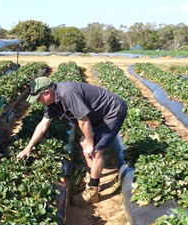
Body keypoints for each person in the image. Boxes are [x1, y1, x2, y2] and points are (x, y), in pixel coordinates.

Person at [16, 77, 127, 205]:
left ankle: (93, 191)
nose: (38, 102)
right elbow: (43, 125)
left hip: (112, 112)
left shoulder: (67, 93)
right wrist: (28, 147)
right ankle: (93, 175)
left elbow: (84, 121)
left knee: (96, 150)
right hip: (97, 115)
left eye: (39, 98)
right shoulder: (53, 102)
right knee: (84, 143)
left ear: (47, 92)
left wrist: (91, 145)